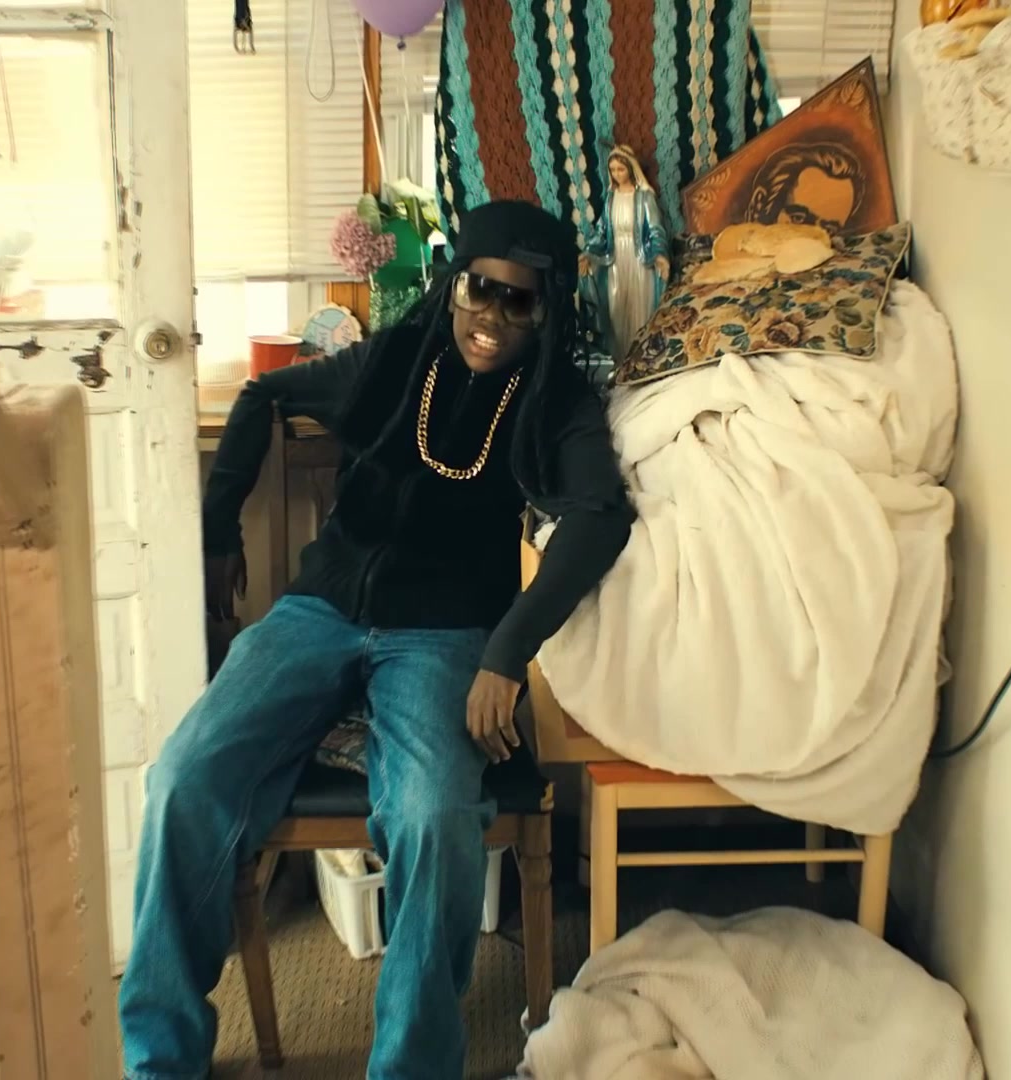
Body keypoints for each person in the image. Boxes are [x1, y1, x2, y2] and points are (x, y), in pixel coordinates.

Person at [118, 200, 635, 1079]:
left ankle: (412, 1067)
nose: (492, 315)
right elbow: (265, 394)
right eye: (480, 289)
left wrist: (506, 652)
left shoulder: (557, 400)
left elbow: (601, 518)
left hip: (446, 633)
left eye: (520, 300)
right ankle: (160, 1061)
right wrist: (217, 531)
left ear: (546, 309)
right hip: (318, 610)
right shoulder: (395, 360)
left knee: (433, 816)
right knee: (181, 781)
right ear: (454, 282)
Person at [581, 145, 671, 358]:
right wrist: (588, 252)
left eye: (620, 169)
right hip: (616, 261)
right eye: (612, 170)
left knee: (639, 309)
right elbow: (602, 230)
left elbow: (656, 229)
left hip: (639, 260)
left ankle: (642, 355)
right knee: (617, 308)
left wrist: (659, 254)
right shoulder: (611, 198)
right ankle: (620, 357)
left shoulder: (644, 198)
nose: (617, 174)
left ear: (630, 168)